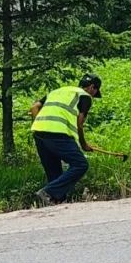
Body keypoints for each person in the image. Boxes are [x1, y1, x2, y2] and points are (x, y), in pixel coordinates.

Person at [30, 74, 102, 205]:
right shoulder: (84, 96)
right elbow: (80, 123)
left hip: (39, 132)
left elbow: (34, 107)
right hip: (58, 133)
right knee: (80, 164)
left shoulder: (57, 91)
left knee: (54, 173)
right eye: (95, 92)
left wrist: (40, 124)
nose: (93, 95)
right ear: (92, 87)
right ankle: (48, 192)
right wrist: (83, 144)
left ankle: (56, 202)